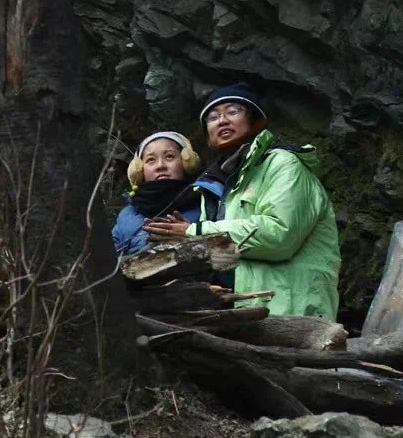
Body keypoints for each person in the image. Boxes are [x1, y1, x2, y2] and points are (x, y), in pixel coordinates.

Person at [145, 84, 341, 319]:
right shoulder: (218, 184)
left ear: (256, 121)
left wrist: (195, 231)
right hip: (242, 312)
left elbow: (279, 235)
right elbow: (223, 254)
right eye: (213, 117)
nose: (222, 121)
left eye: (233, 111)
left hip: (290, 310)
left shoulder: (283, 164)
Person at [111, 130, 222, 257]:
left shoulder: (209, 201)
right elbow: (107, 262)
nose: (160, 166)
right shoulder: (127, 215)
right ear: (139, 170)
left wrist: (191, 234)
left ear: (187, 162)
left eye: (169, 157)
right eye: (151, 160)